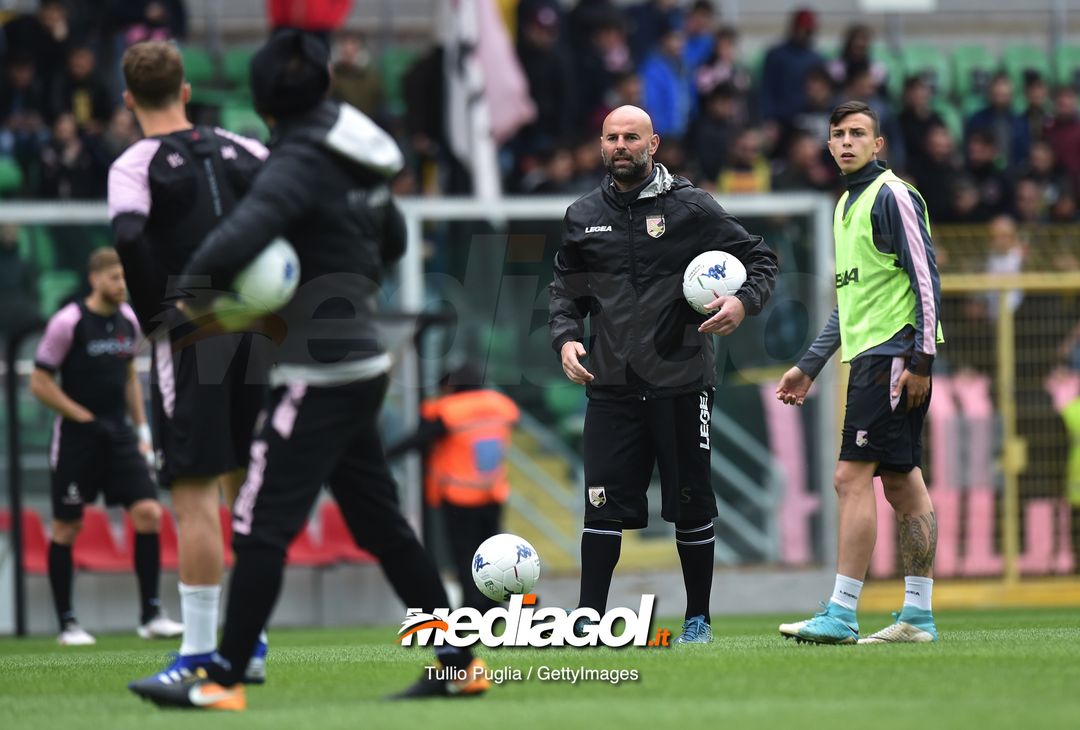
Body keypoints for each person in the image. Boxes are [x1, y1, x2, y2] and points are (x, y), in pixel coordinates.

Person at [128, 29, 489, 710]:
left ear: (263, 102)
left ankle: (224, 677)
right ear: (324, 86)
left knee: (260, 524)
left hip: (316, 373)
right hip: (360, 359)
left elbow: (242, 234)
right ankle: (458, 662)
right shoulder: (355, 152)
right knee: (382, 524)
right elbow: (395, 239)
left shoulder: (297, 159)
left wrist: (187, 297)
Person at [549, 104, 778, 644]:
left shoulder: (692, 208)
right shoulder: (582, 216)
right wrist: (565, 339)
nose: (621, 145)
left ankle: (697, 618)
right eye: (612, 137)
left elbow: (761, 258)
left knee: (691, 503)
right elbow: (564, 291)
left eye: (632, 136)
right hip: (610, 386)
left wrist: (743, 303)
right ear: (601, 145)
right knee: (600, 506)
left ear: (654, 145)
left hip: (681, 383)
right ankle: (589, 620)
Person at [106, 40, 271, 684]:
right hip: (258, 327)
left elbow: (126, 235)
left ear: (128, 100)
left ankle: (202, 654)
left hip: (191, 332)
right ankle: (250, 647)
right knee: (247, 492)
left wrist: (157, 315)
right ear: (184, 91)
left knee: (196, 494)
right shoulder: (244, 149)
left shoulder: (134, 163)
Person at [776, 100, 943, 644]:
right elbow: (850, 303)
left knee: (850, 478)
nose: (846, 142)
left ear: (879, 144)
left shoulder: (892, 194)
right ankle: (917, 617)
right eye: (838, 134)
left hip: (894, 355)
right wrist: (809, 364)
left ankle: (842, 611)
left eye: (858, 134)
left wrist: (920, 360)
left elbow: (927, 279)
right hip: (873, 352)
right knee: (901, 481)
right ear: (828, 146)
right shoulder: (845, 202)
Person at [30, 247, 183, 645]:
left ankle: (151, 615)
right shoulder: (68, 322)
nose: (122, 286)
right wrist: (79, 415)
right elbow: (40, 382)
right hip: (77, 439)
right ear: (95, 278)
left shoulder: (128, 320)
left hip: (119, 435)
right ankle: (67, 624)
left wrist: (143, 430)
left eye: (124, 278)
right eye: (115, 278)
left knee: (149, 512)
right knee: (68, 526)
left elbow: (130, 375)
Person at [386, 364, 520, 611]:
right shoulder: (499, 403)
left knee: (465, 556)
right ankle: (493, 605)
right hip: (493, 491)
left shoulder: (450, 410)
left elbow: (419, 439)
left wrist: (385, 454)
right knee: (492, 554)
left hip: (460, 495)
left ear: (449, 386)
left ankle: (473, 606)